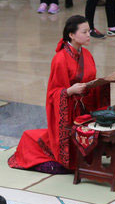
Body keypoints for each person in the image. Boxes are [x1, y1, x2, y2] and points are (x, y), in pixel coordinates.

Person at [8, 15, 109, 174]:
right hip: (70, 111)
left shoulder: (87, 54)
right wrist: (70, 90)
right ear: (71, 35)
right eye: (84, 32)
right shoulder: (60, 59)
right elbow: (53, 92)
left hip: (85, 109)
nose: (89, 35)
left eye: (89, 31)